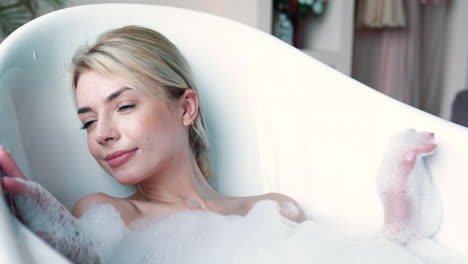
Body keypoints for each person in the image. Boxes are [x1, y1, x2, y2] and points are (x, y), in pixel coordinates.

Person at [0, 26, 438, 263]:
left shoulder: (274, 210)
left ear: (185, 108)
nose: (102, 133)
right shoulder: (108, 215)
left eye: (125, 106)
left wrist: (397, 219)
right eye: (88, 121)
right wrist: (53, 239)